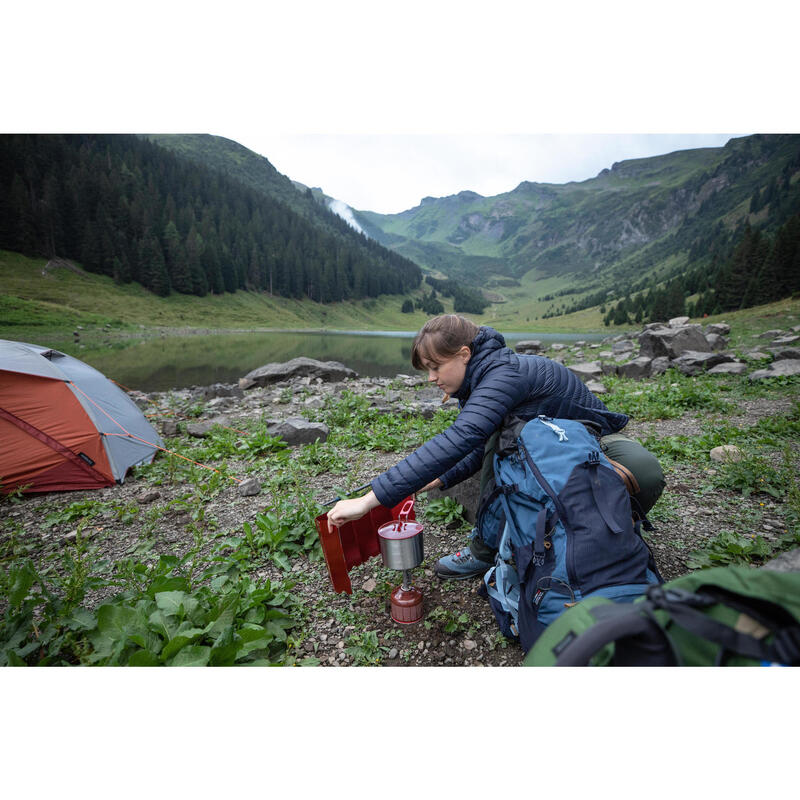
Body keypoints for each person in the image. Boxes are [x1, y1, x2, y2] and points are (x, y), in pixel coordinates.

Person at [327, 314, 664, 579]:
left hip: (591, 442)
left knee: (645, 472)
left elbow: (464, 437)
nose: (431, 378)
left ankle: (611, 529)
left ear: (463, 354)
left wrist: (369, 501)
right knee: (500, 444)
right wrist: (438, 480)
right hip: (549, 454)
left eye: (435, 367)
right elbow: (475, 446)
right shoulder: (478, 381)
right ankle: (489, 551)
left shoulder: (502, 374)